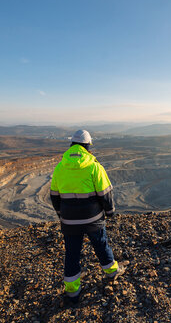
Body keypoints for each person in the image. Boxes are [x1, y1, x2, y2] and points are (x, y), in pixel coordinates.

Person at [50, 129, 124, 305]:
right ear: (88, 145)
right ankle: (112, 272)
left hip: (69, 220)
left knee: (72, 253)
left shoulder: (60, 167)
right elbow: (106, 193)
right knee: (101, 244)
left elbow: (54, 196)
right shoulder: (94, 166)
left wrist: (62, 214)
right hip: (93, 219)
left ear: (72, 145)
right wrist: (110, 211)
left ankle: (73, 291)